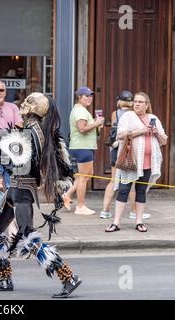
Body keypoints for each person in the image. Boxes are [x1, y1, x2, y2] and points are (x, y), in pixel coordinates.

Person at [0, 92, 82, 298]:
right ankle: (3, 278)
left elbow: (2, 153)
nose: (22, 104)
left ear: (32, 109)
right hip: (16, 189)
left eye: (27, 102)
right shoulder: (41, 132)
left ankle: (68, 276)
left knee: (27, 237)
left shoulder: (30, 133)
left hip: (22, 191)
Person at [105, 92, 167, 233]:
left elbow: (164, 141)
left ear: (147, 105)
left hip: (149, 162)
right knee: (123, 190)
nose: (137, 104)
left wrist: (156, 132)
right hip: (130, 161)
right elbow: (120, 135)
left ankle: (139, 222)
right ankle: (116, 223)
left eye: (140, 102)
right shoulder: (128, 116)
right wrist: (142, 131)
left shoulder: (153, 118)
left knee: (141, 191)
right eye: (135, 101)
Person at [62, 87, 105, 215]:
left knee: (85, 175)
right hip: (83, 147)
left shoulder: (80, 110)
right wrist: (97, 123)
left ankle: (67, 195)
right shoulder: (80, 111)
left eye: (91, 96)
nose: (89, 98)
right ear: (79, 97)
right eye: (86, 96)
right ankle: (80, 206)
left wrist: (97, 125)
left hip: (82, 146)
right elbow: (82, 128)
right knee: (84, 177)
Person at [100, 90, 138, 219]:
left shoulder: (114, 114)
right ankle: (134, 212)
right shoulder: (134, 115)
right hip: (127, 150)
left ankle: (105, 211)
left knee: (113, 180)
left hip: (115, 149)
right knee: (131, 181)